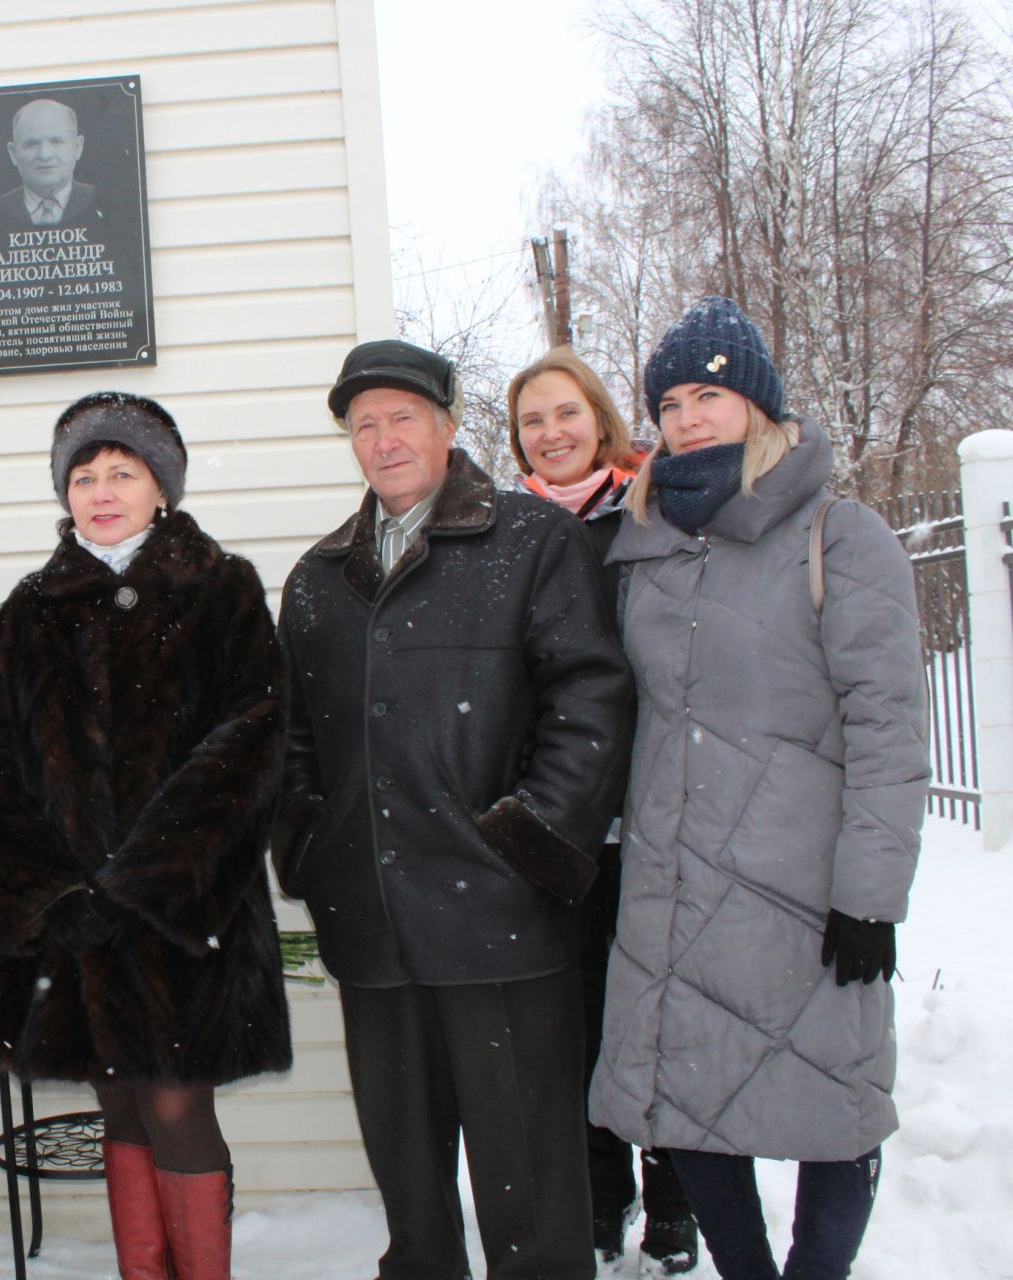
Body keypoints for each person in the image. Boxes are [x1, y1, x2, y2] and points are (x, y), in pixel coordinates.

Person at [275, 340, 633, 1280]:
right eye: (364, 425)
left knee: (534, 1193)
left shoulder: (530, 544)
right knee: (410, 1189)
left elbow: (590, 701)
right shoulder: (319, 578)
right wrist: (310, 845)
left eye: (402, 418)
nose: (384, 440)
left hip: (501, 923)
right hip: (373, 926)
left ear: (445, 425)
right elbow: (294, 740)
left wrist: (527, 842)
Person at [590, 297, 928, 1280]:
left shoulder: (842, 535)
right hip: (677, 889)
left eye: (710, 392)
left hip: (805, 888)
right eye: (670, 401)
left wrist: (872, 890)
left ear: (759, 403)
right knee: (685, 1108)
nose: (688, 417)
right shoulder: (642, 548)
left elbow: (890, 726)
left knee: (834, 1104)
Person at [0, 391, 292, 1280]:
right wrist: (55, 894)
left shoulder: (220, 589)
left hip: (190, 913)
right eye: (84, 476)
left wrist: (144, 883)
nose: (102, 492)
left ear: (161, 487)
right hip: (74, 924)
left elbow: (250, 742)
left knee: (179, 1105)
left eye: (123, 472)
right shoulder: (33, 608)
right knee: (119, 1106)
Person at [505, 350, 696, 1273]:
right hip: (559, 820)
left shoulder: (652, 511)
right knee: (575, 1020)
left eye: (566, 412)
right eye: (534, 419)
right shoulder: (504, 532)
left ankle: (674, 1200)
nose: (552, 432)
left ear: (601, 418)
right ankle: (596, 1195)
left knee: (657, 1016)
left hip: (654, 809)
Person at [0, 97, 103, 229]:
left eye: (56, 142)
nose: (44, 155)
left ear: (78, 147)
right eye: (32, 144)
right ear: (13, 153)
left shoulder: (105, 202)